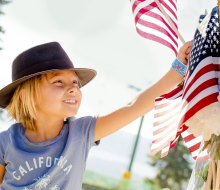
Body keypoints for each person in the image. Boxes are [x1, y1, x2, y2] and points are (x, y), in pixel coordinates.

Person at [0, 41, 192, 190]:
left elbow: (133, 107)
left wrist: (178, 69)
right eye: (58, 82)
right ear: (28, 95)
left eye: (75, 83)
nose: (73, 89)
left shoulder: (81, 133)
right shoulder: (5, 142)